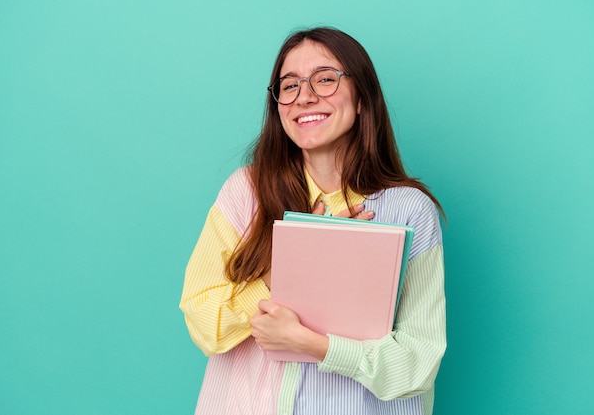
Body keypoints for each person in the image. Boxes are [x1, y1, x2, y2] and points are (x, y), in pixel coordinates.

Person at [180, 27, 446, 415]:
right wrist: (285, 272)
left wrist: (319, 347)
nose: (304, 96)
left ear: (361, 99)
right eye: (289, 86)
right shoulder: (245, 193)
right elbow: (204, 324)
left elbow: (416, 366)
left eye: (325, 79)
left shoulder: (408, 210)